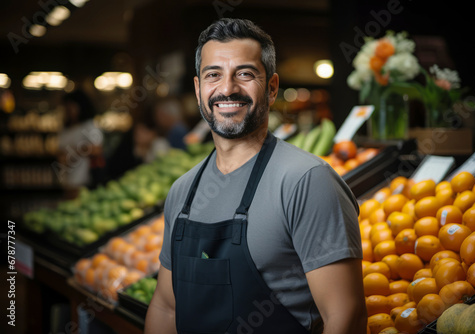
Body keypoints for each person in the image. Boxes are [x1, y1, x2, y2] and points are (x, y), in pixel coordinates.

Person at [145, 18, 367, 334]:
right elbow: (166, 308)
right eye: (213, 75)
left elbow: (346, 317)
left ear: (272, 88)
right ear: (198, 90)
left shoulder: (307, 181)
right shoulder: (183, 192)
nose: (227, 89)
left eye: (245, 74)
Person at [56, 89, 104, 189]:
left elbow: (97, 149)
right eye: (67, 107)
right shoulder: (65, 128)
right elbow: (59, 152)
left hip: (85, 179)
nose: (69, 110)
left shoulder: (89, 126)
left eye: (72, 106)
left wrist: (75, 152)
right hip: (66, 179)